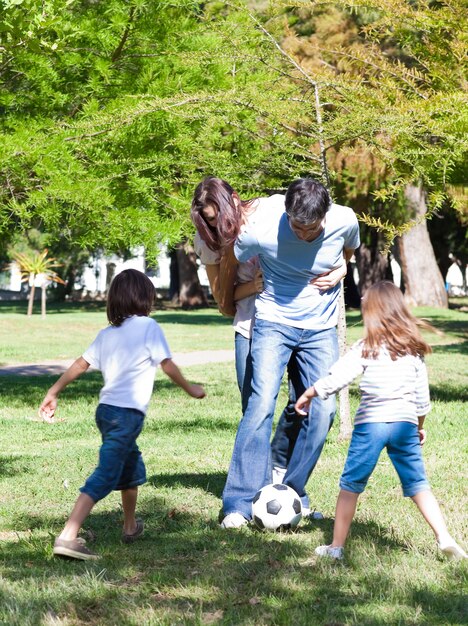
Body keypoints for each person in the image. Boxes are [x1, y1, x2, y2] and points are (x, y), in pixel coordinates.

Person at [221, 177, 360, 527]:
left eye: (309, 228)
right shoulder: (261, 229)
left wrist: (343, 266)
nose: (301, 233)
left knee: (323, 409)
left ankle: (290, 492)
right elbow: (227, 257)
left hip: (320, 328)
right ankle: (237, 504)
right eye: (295, 226)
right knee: (261, 403)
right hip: (273, 321)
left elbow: (349, 249)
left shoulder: (345, 219)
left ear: (325, 216)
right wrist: (227, 299)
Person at [39, 269, 205, 560]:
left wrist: (53, 391)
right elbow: (166, 365)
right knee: (106, 473)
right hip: (126, 415)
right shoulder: (149, 326)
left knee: (130, 466)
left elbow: (80, 364)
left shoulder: (107, 334)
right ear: (145, 298)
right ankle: (67, 536)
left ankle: (130, 526)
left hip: (106, 413)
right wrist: (190, 388)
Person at [295, 281, 467, 561]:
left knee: (350, 485)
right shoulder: (413, 351)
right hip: (404, 425)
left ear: (371, 313)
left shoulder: (367, 346)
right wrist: (419, 426)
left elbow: (339, 376)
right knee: (418, 484)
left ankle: (336, 546)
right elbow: (422, 399)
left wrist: (312, 392)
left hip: (370, 426)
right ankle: (444, 537)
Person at [191, 177, 304, 487]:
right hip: (250, 326)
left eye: (217, 218)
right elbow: (224, 303)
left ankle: (278, 463)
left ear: (235, 199)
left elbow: (322, 224)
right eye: (209, 222)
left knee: (304, 400)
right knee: (254, 409)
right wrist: (240, 269)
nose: (216, 227)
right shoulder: (210, 239)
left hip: (295, 319)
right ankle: (261, 484)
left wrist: (342, 266)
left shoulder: (272, 209)